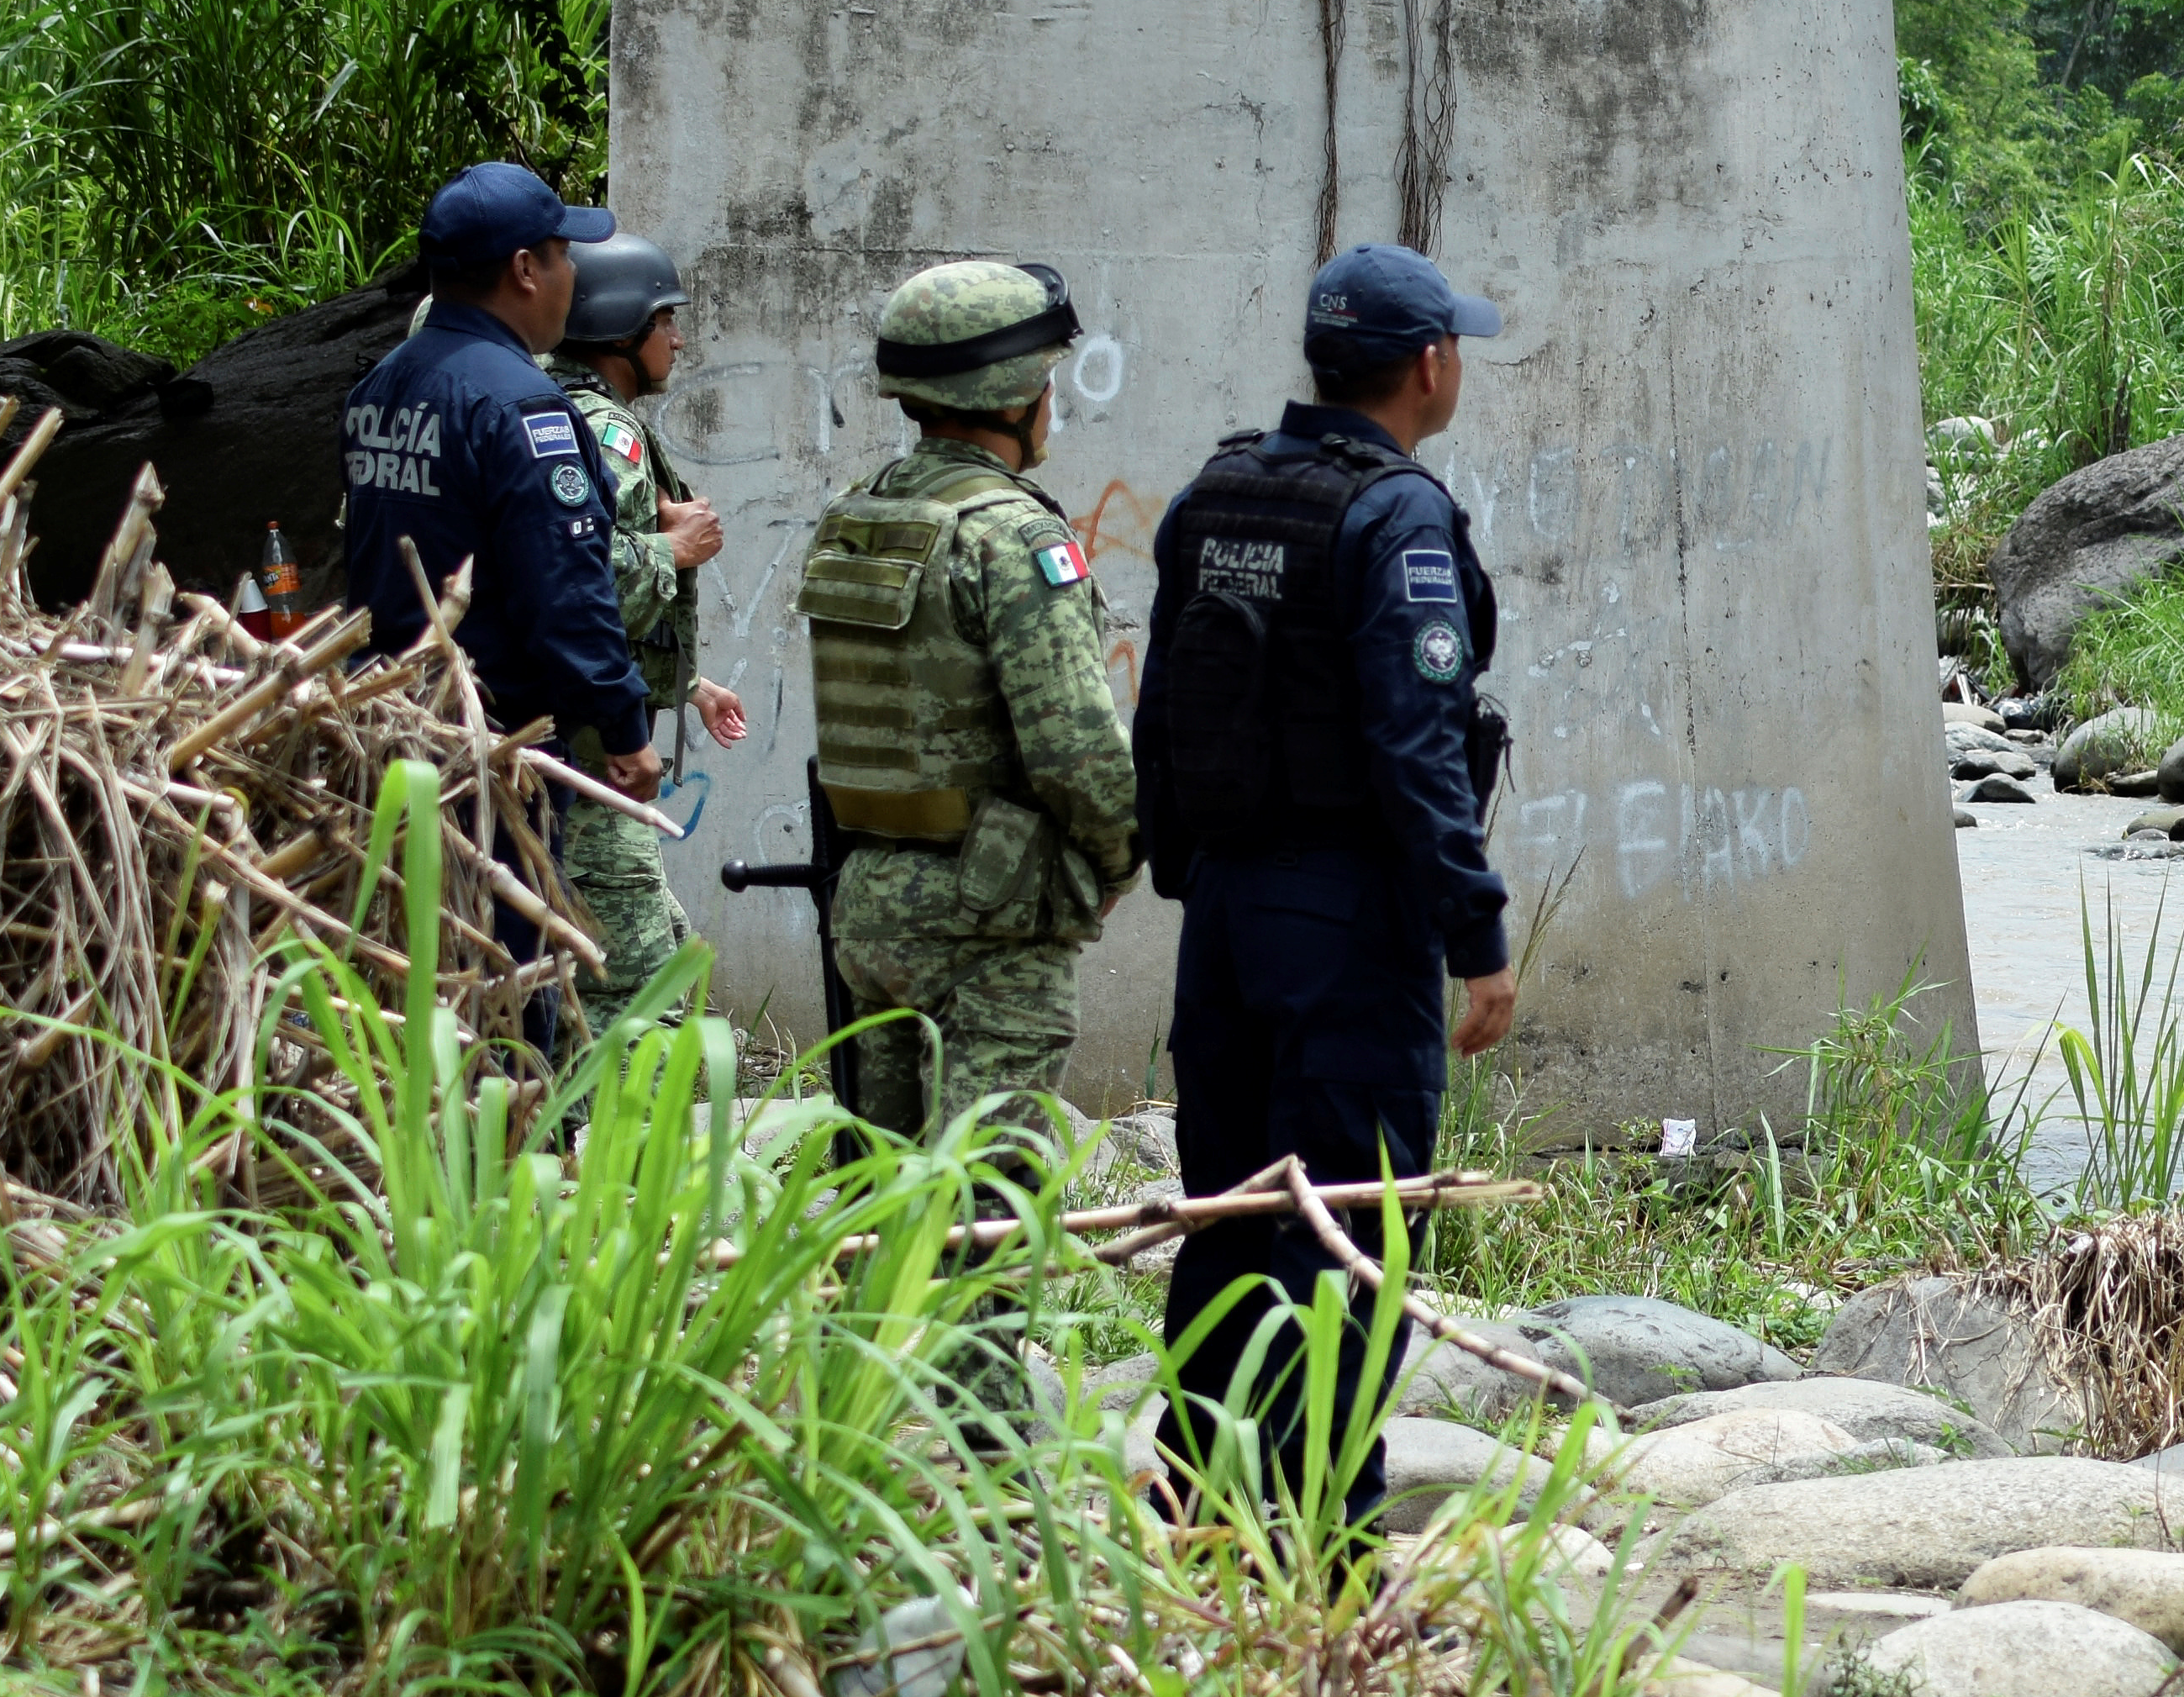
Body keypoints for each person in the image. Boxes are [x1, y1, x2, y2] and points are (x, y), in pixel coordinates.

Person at [1139, 244, 1522, 1499]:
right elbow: (1417, 746)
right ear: (1429, 364)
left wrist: (1191, 873)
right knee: (1348, 1231)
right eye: (1455, 345)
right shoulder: (1396, 515)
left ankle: (1201, 1508)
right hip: (1349, 926)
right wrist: (1477, 935)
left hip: (1230, 921)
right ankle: (1324, 1539)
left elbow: (1162, 714)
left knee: (1228, 1217)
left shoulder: (1219, 491)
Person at [792, 260, 1140, 1184]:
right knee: (984, 1207)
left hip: (868, 906)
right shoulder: (1014, 538)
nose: (1053, 399)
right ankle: (972, 1341)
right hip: (991, 919)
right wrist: (1119, 857)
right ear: (1014, 390)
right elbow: (1075, 747)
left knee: (878, 1197)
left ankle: (871, 1336)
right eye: (1046, 378)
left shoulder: (858, 517)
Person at [337, 161, 655, 1019]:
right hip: (496, 753)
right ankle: (513, 1149)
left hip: (394, 729)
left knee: (415, 980)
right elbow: (563, 585)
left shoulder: (381, 387)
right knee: (511, 990)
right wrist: (623, 725)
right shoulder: (523, 408)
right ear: (525, 270)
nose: (572, 277)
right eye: (563, 256)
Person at [543, 233, 751, 1002]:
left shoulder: (554, 405)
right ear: (622, 328)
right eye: (666, 319)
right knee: (632, 994)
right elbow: (584, 588)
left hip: (565, 751)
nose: (678, 337)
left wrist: (688, 682)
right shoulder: (608, 430)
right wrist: (676, 550)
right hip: (591, 764)